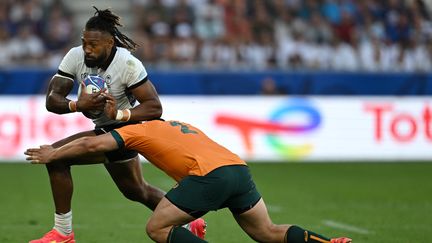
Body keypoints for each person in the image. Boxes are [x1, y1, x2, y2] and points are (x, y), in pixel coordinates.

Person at [25, 93, 352, 243]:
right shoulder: (176, 123)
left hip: (209, 176)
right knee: (267, 233)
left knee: (156, 229)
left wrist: (54, 153)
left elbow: (94, 145)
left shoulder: (137, 130)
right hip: (238, 170)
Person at [30, 7, 205, 243]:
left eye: (93, 45)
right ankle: (189, 220)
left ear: (110, 43)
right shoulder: (75, 56)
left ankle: (63, 233)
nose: (87, 49)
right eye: (84, 43)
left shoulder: (128, 64)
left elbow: (154, 107)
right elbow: (52, 100)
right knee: (136, 190)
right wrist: (77, 106)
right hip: (104, 128)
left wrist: (120, 114)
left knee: (57, 156)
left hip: (127, 130)